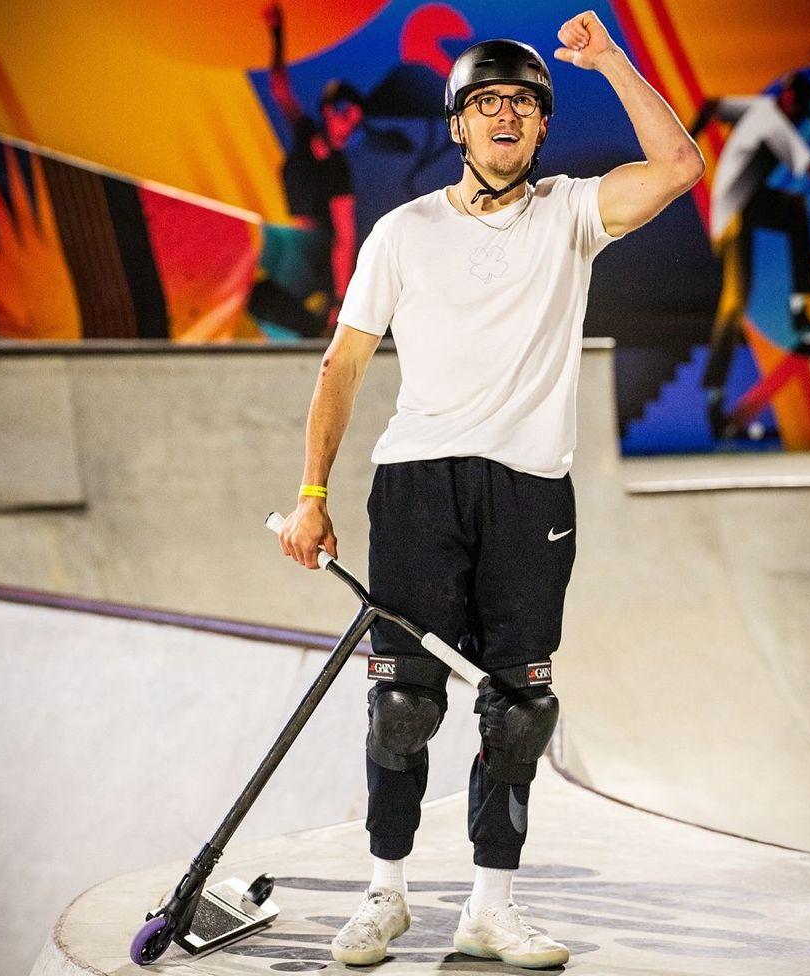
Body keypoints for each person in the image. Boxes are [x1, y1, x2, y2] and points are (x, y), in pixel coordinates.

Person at [278, 11, 703, 967]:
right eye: (486, 102)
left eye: (521, 103)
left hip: (529, 495)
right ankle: (383, 895)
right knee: (403, 703)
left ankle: (489, 907)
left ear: (540, 126)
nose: (504, 115)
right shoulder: (402, 233)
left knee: (518, 708)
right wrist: (312, 491)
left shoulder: (572, 212)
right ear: (459, 124)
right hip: (418, 485)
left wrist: (608, 61)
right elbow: (341, 368)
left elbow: (678, 167)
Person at [690, 72, 810, 439]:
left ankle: (799, 313)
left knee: (794, 209)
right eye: (799, 109)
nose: (797, 119)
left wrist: (686, 140)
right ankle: (714, 404)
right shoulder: (774, 121)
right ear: (789, 97)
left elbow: (712, 106)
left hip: (745, 202)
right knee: (734, 302)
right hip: (734, 215)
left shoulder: (757, 108)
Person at [250, 3, 365, 337]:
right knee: (261, 301)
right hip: (293, 246)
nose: (349, 126)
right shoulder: (306, 134)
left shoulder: (337, 169)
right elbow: (279, 88)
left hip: (313, 261)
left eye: (355, 122)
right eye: (345, 115)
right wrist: (277, 34)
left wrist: (342, 299)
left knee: (266, 303)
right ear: (328, 111)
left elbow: (345, 238)